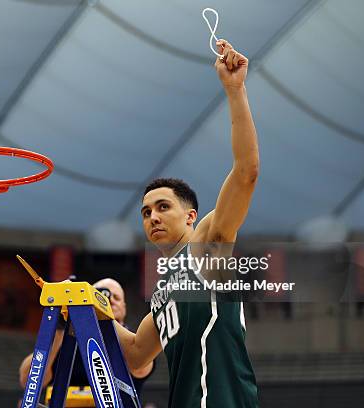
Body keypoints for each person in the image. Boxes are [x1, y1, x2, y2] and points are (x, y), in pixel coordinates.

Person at [113, 39, 260, 407]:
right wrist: (86, 304)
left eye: (163, 207)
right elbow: (135, 353)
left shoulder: (207, 245)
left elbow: (246, 173)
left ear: (191, 216)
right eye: (146, 212)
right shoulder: (165, 291)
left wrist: (235, 90)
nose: (153, 217)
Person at [18, 278, 154, 399]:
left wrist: (101, 318)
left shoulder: (134, 340)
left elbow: (140, 367)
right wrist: (60, 327)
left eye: (116, 298)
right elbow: (27, 380)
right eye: (100, 295)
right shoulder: (67, 339)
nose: (109, 300)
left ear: (124, 307)